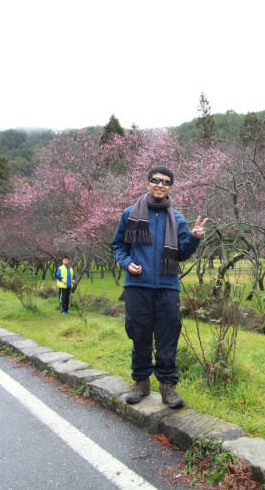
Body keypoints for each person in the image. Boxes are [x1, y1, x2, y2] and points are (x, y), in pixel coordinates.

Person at [112, 166, 207, 408]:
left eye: (165, 182)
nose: (160, 184)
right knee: (139, 334)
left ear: (170, 188)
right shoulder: (129, 214)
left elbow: (182, 254)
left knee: (168, 337)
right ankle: (141, 383)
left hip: (167, 287)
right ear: (147, 184)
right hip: (137, 286)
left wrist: (194, 238)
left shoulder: (177, 219)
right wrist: (127, 263)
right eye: (155, 180)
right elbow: (118, 247)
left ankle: (167, 387)